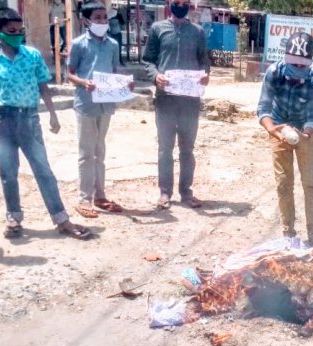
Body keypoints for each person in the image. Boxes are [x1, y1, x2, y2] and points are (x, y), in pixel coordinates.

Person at [0, 7, 91, 240]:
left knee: (43, 169)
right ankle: (14, 218)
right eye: (11, 31)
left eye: (20, 30)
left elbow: (43, 86)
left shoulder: (32, 56)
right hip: (2, 120)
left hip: (28, 118)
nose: (17, 34)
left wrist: (52, 114)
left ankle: (61, 219)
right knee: (8, 172)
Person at [257, 32, 313, 246]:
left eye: (301, 68)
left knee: (311, 184)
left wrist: (307, 133)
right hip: (279, 128)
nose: (297, 74)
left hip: (305, 131)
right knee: (283, 184)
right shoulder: (274, 72)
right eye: (293, 68)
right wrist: (273, 130)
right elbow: (263, 108)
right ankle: (289, 233)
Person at [67, 1, 133, 219]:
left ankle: (100, 196)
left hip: (105, 104)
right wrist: (84, 83)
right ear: (86, 20)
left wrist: (125, 84)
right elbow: (70, 74)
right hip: (85, 103)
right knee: (86, 153)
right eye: (97, 18)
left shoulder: (113, 45)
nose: (102, 22)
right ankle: (84, 198)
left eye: (105, 18)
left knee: (100, 151)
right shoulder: (78, 44)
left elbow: (115, 72)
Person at [143, 0, 210, 209]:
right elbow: (148, 60)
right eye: (176, 2)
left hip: (190, 101)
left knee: (187, 149)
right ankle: (165, 193)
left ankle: (186, 192)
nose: (180, 5)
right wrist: (156, 77)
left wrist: (205, 76)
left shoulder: (198, 32)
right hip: (165, 99)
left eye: (184, 2)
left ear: (188, 5)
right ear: (169, 4)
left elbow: (204, 61)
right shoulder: (157, 29)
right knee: (165, 148)